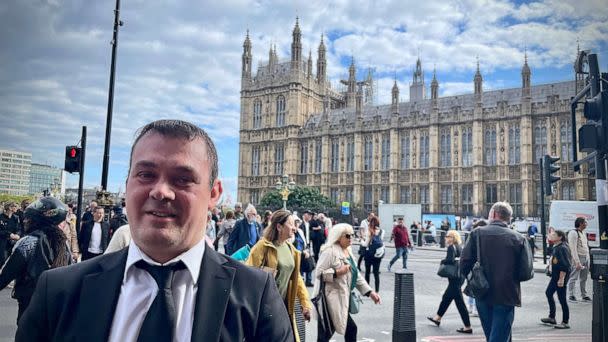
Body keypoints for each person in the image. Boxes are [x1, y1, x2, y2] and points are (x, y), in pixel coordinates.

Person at [16, 119, 292, 341]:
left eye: (183, 179)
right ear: (127, 186)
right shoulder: (58, 290)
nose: (161, 191)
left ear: (214, 194)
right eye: (146, 175)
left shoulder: (257, 297)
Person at [460, 202, 530, 342]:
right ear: (509, 217)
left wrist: (474, 279)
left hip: (482, 292)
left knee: (493, 335)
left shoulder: (476, 234)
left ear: (493, 214)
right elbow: (526, 273)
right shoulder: (519, 238)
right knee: (500, 335)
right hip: (507, 294)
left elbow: (463, 265)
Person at [0, 197, 73, 323]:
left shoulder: (27, 242)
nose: (25, 221)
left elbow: (5, 275)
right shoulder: (63, 243)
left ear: (36, 221)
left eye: (28, 219)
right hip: (56, 307)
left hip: (30, 306)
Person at [245, 209, 312, 342]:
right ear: (279, 226)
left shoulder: (291, 249)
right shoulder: (263, 247)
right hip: (265, 309)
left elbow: (297, 278)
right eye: (291, 224)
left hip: (285, 307)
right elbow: (249, 276)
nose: (295, 228)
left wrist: (305, 303)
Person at [314, 223, 381, 341]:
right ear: (338, 237)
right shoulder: (329, 251)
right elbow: (319, 273)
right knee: (328, 334)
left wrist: (370, 292)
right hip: (330, 300)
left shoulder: (347, 251)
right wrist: (337, 272)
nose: (351, 238)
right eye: (347, 236)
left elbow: (356, 275)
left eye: (352, 235)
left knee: (347, 330)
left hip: (342, 298)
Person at [427, 230, 472, 334]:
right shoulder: (460, 246)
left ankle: (467, 326)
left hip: (454, 278)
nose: (445, 238)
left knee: (460, 303)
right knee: (446, 298)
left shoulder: (451, 247)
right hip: (460, 277)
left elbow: (450, 260)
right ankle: (437, 318)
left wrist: (442, 261)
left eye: (447, 236)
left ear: (452, 238)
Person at [541, 229, 572, 329]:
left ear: (560, 237)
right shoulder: (556, 247)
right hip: (555, 276)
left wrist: (561, 279)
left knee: (562, 298)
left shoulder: (562, 248)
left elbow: (565, 265)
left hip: (560, 277)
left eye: (554, 234)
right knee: (548, 293)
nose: (551, 235)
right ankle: (552, 317)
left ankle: (565, 322)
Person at [566, 217, 591, 302]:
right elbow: (573, 248)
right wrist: (577, 262)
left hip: (586, 257)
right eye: (585, 222)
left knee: (584, 278)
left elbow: (585, 246)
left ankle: (584, 295)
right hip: (578, 257)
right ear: (581, 223)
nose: (586, 224)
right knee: (574, 277)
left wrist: (588, 257)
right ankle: (571, 295)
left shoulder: (583, 232)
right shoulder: (573, 233)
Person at [361, 216, 384, 293]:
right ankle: (377, 291)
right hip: (378, 255)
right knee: (376, 273)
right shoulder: (381, 231)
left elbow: (365, 244)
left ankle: (367, 291)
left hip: (369, 254)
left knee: (367, 272)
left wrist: (361, 240)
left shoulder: (369, 231)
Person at [1, 202, 21, 266]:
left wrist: (18, 235)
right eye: (15, 206)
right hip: (2, 242)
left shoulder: (16, 217)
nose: (17, 208)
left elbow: (19, 228)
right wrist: (9, 234)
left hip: (13, 242)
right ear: (10, 208)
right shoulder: (0, 217)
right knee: (2, 260)